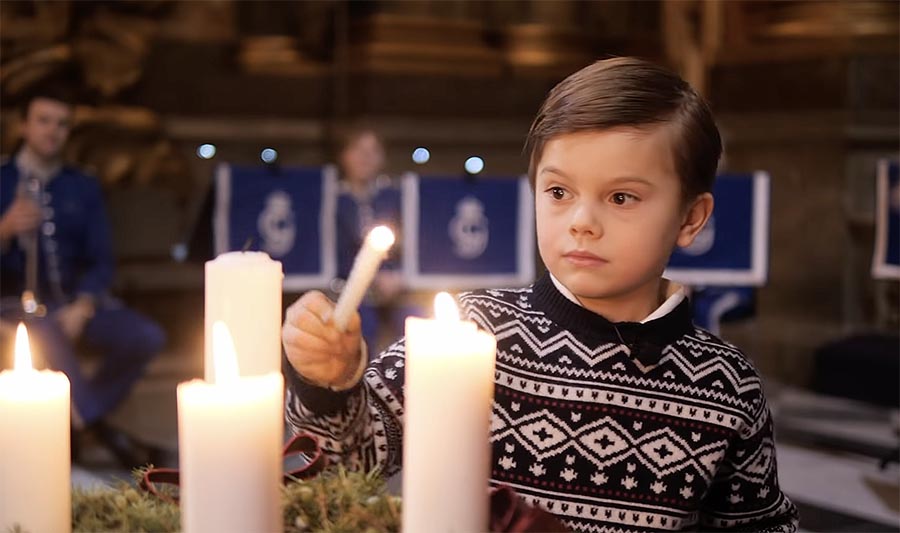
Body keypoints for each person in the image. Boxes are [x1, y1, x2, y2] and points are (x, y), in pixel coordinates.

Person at [282, 58, 799, 531]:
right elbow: (351, 456)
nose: (581, 223)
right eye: (558, 192)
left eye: (621, 197)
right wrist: (330, 381)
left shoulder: (727, 386)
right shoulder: (471, 334)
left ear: (690, 218)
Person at [0, 88, 166, 467]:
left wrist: (85, 304)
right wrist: (4, 229)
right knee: (47, 334)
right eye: (43, 121)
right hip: (14, 306)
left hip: (73, 302)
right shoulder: (3, 179)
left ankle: (82, 421)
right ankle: (107, 435)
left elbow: (102, 258)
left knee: (145, 336)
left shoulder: (82, 185)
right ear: (24, 125)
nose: (52, 131)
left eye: (62, 124)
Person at [332, 124, 412, 352]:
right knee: (359, 334)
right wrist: (372, 278)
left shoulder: (396, 197)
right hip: (348, 289)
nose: (365, 158)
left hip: (395, 285)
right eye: (358, 149)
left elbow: (412, 242)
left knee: (418, 322)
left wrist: (399, 275)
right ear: (344, 155)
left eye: (373, 151)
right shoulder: (332, 200)